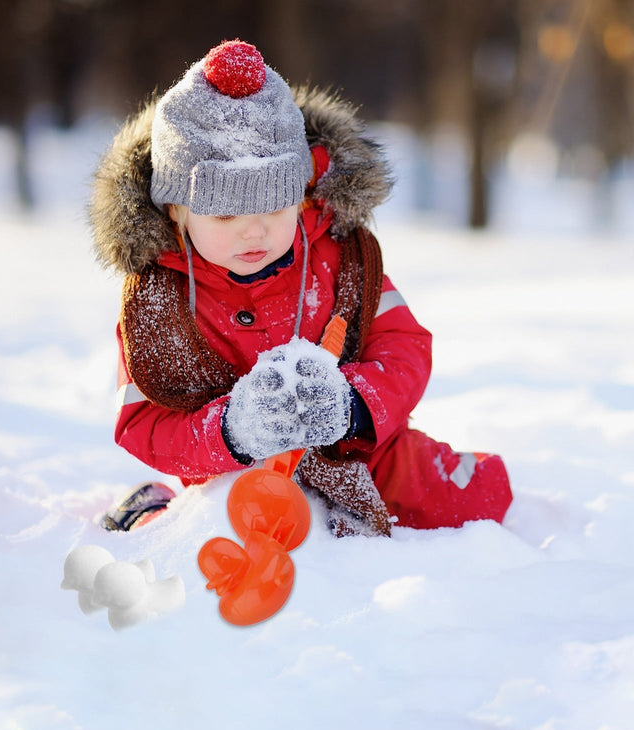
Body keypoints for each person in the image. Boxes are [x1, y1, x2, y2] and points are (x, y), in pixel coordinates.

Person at [90, 40, 512, 536]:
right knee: (222, 532)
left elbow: (405, 346)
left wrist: (355, 405)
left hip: (355, 447)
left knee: (473, 500)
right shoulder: (162, 300)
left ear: (303, 192)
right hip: (231, 469)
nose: (254, 231)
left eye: (274, 208)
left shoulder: (337, 255)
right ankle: (155, 511)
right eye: (226, 214)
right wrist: (232, 431)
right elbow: (140, 421)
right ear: (176, 212)